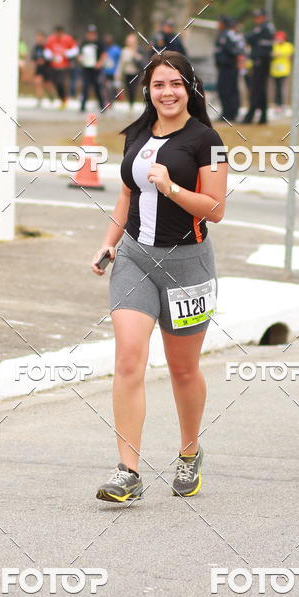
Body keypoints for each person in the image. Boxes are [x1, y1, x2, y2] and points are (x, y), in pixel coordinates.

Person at [90, 51, 228, 502]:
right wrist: (109, 242)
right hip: (134, 259)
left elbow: (215, 209)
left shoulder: (208, 141)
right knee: (129, 358)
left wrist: (172, 188)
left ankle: (189, 453)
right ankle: (127, 470)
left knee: (182, 368)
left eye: (175, 84)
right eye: (158, 85)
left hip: (189, 265)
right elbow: (126, 195)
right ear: (147, 90)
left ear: (190, 88)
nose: (167, 93)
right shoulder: (136, 135)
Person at [242, 8, 275, 125]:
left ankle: (250, 116)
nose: (256, 20)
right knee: (260, 91)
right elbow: (250, 39)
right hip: (258, 61)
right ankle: (263, 117)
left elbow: (250, 38)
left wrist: (253, 39)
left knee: (256, 90)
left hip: (261, 62)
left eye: (258, 17)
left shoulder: (264, 28)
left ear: (264, 17)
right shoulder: (262, 28)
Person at [214, 16, 244, 122]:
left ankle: (231, 113)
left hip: (229, 68)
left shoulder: (228, 35)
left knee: (230, 90)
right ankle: (226, 112)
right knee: (223, 90)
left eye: (219, 23)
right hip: (223, 68)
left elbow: (236, 49)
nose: (218, 25)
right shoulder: (221, 34)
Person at [45, 25, 79, 109]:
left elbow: (75, 50)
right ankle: (62, 100)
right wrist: (50, 55)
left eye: (59, 33)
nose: (58, 35)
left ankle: (64, 99)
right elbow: (46, 51)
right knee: (56, 83)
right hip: (53, 65)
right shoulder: (51, 39)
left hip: (64, 66)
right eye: (57, 33)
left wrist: (66, 53)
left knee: (61, 82)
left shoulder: (68, 39)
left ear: (62, 32)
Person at [79, 25, 106, 112]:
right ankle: (82, 106)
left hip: (96, 69)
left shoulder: (99, 43)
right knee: (85, 87)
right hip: (86, 69)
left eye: (92, 33)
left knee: (97, 87)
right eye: (89, 33)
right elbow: (79, 54)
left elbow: (103, 55)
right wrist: (81, 59)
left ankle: (102, 106)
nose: (91, 35)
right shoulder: (83, 43)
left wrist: (99, 64)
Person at [116, 33, 145, 109]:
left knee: (133, 89)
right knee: (128, 89)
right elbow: (121, 63)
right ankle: (130, 103)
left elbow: (142, 62)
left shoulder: (139, 50)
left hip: (135, 73)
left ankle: (132, 103)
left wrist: (136, 55)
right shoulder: (124, 51)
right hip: (127, 73)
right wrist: (118, 74)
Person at [270, 30, 294, 112]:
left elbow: (288, 55)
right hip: (275, 70)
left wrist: (278, 54)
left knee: (280, 88)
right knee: (276, 88)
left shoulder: (288, 46)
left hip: (284, 70)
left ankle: (281, 104)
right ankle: (277, 104)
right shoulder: (274, 45)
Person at [31, 31, 54, 106]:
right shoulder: (36, 47)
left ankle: (51, 94)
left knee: (47, 85)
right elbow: (33, 57)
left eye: (40, 37)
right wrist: (37, 60)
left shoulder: (47, 47)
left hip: (46, 68)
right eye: (38, 37)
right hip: (39, 68)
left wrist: (44, 60)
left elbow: (50, 57)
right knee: (38, 82)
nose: (39, 39)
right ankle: (39, 99)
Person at [101, 34, 122, 106]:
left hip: (114, 72)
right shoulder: (104, 49)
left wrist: (118, 71)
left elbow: (120, 60)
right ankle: (106, 101)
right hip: (105, 72)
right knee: (105, 88)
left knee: (112, 88)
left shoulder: (116, 49)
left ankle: (112, 101)